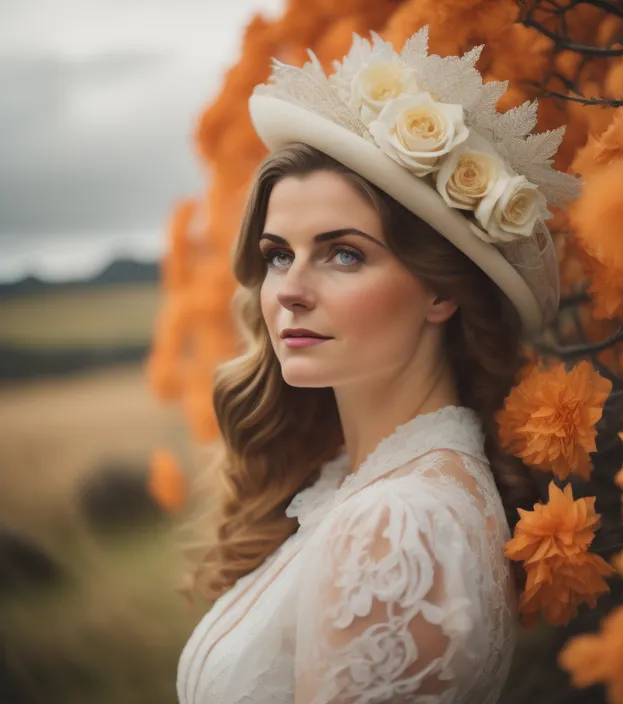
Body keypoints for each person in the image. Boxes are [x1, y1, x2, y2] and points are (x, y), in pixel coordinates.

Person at [177, 26, 580, 704]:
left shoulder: (396, 527)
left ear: (442, 290)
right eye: (279, 254)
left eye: (344, 254)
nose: (290, 290)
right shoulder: (360, 484)